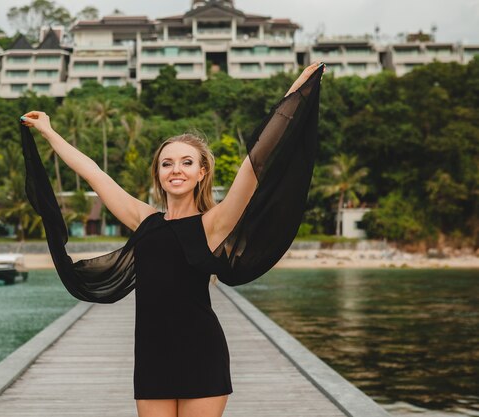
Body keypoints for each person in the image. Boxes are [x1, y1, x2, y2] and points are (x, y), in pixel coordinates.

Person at [19, 62, 325, 417]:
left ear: (201, 172)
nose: (175, 170)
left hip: (202, 353)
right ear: (158, 174)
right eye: (167, 164)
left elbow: (256, 161)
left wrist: (296, 93)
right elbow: (93, 172)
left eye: (185, 162)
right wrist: (49, 132)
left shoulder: (214, 224)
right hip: (151, 356)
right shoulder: (144, 220)